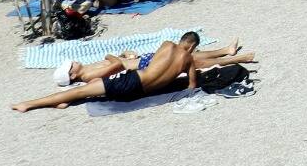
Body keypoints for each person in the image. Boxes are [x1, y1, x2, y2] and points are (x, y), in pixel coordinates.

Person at [13, 33, 206, 112]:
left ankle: (29, 104)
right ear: (192, 47)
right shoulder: (188, 60)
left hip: (132, 81)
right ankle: (52, 102)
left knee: (80, 91)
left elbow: (150, 66)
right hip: (140, 93)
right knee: (86, 90)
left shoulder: (166, 45)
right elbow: (191, 86)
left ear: (182, 40)